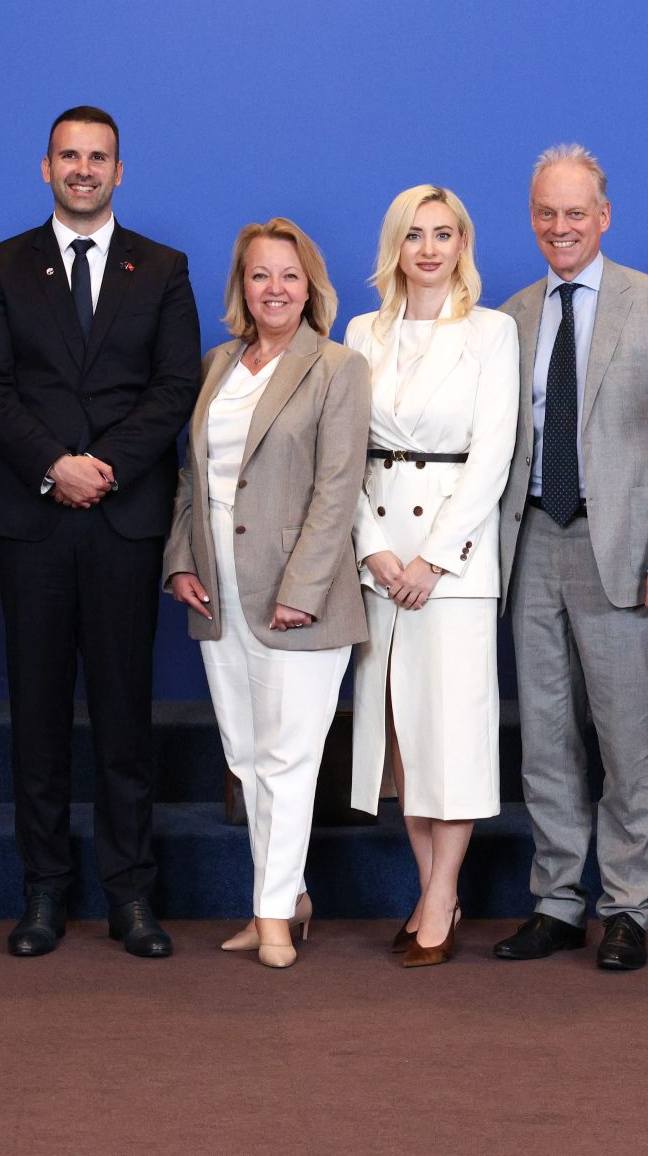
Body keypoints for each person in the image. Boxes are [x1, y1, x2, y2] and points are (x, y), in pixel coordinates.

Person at [0, 105, 201, 958]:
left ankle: (130, 895)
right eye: (70, 155)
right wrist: (53, 465)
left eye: (99, 157)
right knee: (37, 715)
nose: (84, 169)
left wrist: (103, 466)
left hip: (124, 517)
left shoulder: (162, 267)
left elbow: (175, 387)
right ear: (46, 167)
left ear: (119, 171)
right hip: (31, 518)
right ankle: (44, 894)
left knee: (124, 715)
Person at [494, 144, 648, 972]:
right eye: (547, 213)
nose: (561, 227)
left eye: (575, 212)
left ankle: (627, 907)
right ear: (532, 219)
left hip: (622, 550)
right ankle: (556, 902)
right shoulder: (509, 317)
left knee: (625, 743)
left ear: (604, 217)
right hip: (530, 545)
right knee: (544, 741)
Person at [167, 219, 370, 969]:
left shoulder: (337, 367)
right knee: (246, 755)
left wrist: (303, 588)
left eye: (289, 275)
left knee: (289, 757)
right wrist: (181, 560)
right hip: (217, 585)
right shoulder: (217, 364)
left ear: (309, 286)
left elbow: (338, 489)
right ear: (241, 287)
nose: (274, 288)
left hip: (296, 592)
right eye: (260, 275)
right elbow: (191, 477)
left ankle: (272, 914)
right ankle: (288, 895)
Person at [341, 186, 517, 967]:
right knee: (404, 738)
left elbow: (493, 456)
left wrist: (434, 558)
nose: (430, 249)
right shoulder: (362, 332)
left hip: (455, 568)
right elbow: (343, 454)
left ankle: (443, 893)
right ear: (395, 246)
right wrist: (374, 549)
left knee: (454, 735)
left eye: (444, 234)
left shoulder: (491, 332)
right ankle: (428, 887)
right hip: (381, 563)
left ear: (463, 244)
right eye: (414, 235)